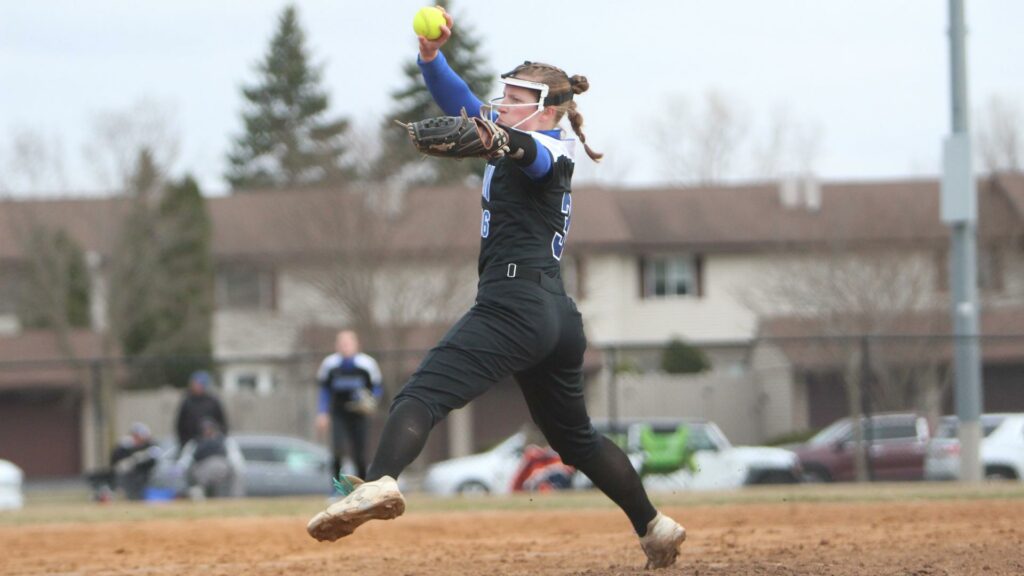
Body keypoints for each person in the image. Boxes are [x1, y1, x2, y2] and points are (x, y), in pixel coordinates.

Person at [307, 8, 686, 570]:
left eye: (514, 97)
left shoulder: (552, 148)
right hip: (553, 314)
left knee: (420, 396)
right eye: (503, 95)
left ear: (548, 109)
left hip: (515, 305)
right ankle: (656, 527)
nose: (501, 103)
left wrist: (498, 137)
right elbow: (463, 101)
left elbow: (526, 155)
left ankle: (381, 482)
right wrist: (431, 58)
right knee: (575, 440)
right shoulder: (505, 130)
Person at [315, 329, 383, 483]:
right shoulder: (330, 364)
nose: (345, 346)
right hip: (339, 412)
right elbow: (324, 390)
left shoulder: (367, 364)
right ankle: (336, 489)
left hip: (360, 413)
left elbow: (377, 387)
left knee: (360, 454)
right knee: (337, 450)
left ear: (356, 344)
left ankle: (363, 488)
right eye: (341, 343)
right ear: (336, 345)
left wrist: (371, 402)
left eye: (348, 342)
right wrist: (322, 412)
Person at [181, 418, 244, 500]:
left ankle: (235, 499)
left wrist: (237, 467)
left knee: (235, 473)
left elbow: (235, 458)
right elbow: (186, 460)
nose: (207, 431)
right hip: (201, 469)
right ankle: (199, 495)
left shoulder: (225, 441)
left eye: (210, 428)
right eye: (205, 429)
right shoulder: (195, 443)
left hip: (222, 468)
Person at [175, 370, 228, 453]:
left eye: (198, 384)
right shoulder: (187, 402)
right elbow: (180, 425)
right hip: (192, 444)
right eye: (194, 384)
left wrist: (216, 437)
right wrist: (184, 442)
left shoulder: (213, 402)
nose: (196, 386)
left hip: (211, 445)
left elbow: (223, 424)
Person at [109, 422, 161, 501]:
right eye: (135, 435)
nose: (136, 438)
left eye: (138, 436)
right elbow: (115, 460)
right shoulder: (124, 446)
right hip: (127, 475)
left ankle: (138, 497)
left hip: (143, 475)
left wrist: (137, 460)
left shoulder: (151, 447)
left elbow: (153, 460)